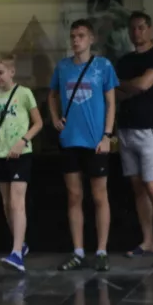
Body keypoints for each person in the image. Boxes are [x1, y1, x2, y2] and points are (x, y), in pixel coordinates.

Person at [49, 19, 118, 272]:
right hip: (70, 140)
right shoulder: (63, 67)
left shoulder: (103, 66)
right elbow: (52, 94)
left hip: (95, 141)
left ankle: (101, 250)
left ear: (91, 39)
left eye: (80, 35)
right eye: (73, 36)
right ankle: (78, 250)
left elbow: (111, 102)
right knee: (74, 196)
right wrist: (55, 118)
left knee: (100, 196)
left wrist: (107, 136)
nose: (76, 40)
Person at [116, 11, 153, 269]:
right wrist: (131, 87)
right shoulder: (125, 60)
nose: (137, 32)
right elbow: (115, 92)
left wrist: (128, 86)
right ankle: (148, 240)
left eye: (141, 28)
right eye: (133, 29)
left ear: (150, 30)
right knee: (137, 187)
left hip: (149, 129)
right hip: (125, 129)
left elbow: (143, 84)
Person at [0, 54, 42, 273]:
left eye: (0, 72)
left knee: (17, 202)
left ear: (11, 72)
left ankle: (16, 252)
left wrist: (23, 140)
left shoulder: (24, 94)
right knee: (7, 204)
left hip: (21, 154)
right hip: (0, 153)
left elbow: (38, 123)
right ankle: (21, 244)